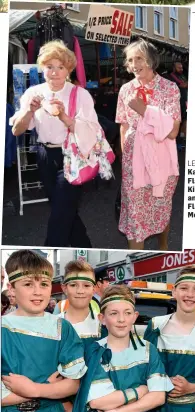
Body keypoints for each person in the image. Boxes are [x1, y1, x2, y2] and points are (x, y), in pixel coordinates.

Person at [10, 40, 101, 248]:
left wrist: (64, 117)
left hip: (73, 156)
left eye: (60, 67)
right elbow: (17, 130)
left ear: (69, 69)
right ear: (42, 67)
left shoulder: (80, 94)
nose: (55, 72)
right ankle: (85, 249)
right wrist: (29, 111)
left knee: (60, 214)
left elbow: (92, 130)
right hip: (44, 156)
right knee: (65, 209)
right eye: (49, 66)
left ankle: (47, 256)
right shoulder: (33, 93)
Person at [1, 249, 87, 412]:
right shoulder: (3, 328)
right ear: (11, 289)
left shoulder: (62, 327)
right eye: (28, 284)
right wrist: (46, 388)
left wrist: (34, 389)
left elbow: (72, 384)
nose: (38, 292)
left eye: (44, 284)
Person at [115, 39, 181, 251]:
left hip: (163, 159)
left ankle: (162, 246)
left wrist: (144, 110)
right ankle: (136, 264)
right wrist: (126, 159)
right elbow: (124, 127)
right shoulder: (125, 90)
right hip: (134, 161)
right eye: (130, 60)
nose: (134, 64)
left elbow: (173, 131)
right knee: (135, 215)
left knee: (160, 208)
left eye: (139, 58)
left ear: (152, 61)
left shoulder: (170, 88)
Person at [73, 284, 173, 412]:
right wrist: (141, 391)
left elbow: (158, 397)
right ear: (102, 319)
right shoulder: (95, 351)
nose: (121, 319)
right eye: (114, 313)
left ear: (134, 316)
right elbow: (98, 401)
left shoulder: (148, 349)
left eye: (127, 313)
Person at [144, 265, 195, 412]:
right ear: (174, 291)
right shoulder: (155, 325)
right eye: (184, 288)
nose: (190, 294)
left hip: (190, 409)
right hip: (154, 408)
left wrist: (191, 388)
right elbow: (143, 367)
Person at [59, 260, 107, 348]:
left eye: (86, 286)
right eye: (73, 285)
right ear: (65, 288)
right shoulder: (52, 325)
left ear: (94, 289)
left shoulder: (104, 326)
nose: (80, 291)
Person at [170, 62, 188, 140]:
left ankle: (182, 136)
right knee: (179, 120)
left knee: (185, 118)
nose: (181, 69)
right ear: (174, 68)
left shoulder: (182, 75)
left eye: (182, 67)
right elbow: (182, 85)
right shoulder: (172, 75)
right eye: (179, 68)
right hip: (178, 102)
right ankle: (177, 138)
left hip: (185, 100)